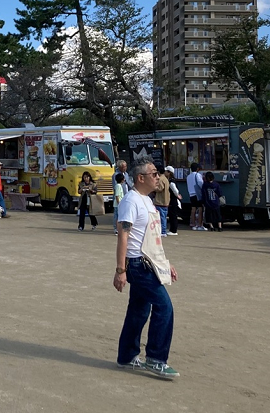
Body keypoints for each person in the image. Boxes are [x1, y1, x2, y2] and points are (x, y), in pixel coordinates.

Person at [114, 159, 178, 379]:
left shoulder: (148, 201)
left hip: (149, 261)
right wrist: (120, 270)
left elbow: (152, 238)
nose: (157, 176)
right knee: (165, 308)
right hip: (137, 264)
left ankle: (127, 355)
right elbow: (123, 235)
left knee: (139, 310)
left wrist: (165, 262)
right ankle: (156, 358)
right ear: (140, 178)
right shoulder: (131, 201)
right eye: (153, 173)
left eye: (157, 173)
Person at [186, 163, 205, 231]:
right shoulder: (198, 175)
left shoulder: (188, 176)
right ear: (197, 168)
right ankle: (199, 225)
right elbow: (200, 183)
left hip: (191, 194)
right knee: (200, 209)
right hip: (197, 194)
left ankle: (193, 224)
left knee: (193, 209)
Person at [153, 165, 170, 235]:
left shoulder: (160, 179)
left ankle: (163, 231)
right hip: (165, 201)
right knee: (164, 217)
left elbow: (160, 188)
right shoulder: (165, 179)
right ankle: (163, 230)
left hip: (160, 201)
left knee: (161, 218)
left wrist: (153, 188)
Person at [164, 166, 181, 236]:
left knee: (173, 215)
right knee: (171, 215)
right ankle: (172, 229)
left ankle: (174, 230)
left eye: (166, 171)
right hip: (172, 200)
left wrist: (177, 195)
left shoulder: (171, 181)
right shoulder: (171, 180)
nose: (164, 172)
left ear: (169, 172)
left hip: (173, 200)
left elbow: (175, 190)